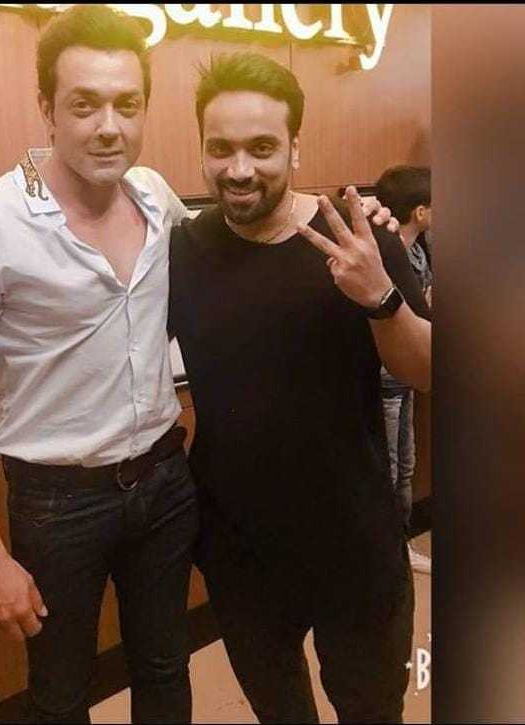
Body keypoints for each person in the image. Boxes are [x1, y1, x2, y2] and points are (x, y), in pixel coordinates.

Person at [0, 6, 199, 723]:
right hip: (58, 502)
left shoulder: (156, 197)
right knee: (60, 693)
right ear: (47, 109)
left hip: (164, 478)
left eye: (127, 104)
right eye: (84, 104)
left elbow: (235, 258)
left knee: (166, 665)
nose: (109, 126)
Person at [169, 52, 431, 724]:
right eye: (220, 148)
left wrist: (381, 298)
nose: (239, 168)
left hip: (354, 543)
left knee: (372, 712)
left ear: (294, 147)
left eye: (262, 147)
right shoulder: (183, 251)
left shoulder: (358, 237)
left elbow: (430, 371)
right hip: (240, 552)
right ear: (202, 149)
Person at [375, 166, 433, 576]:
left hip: (409, 375)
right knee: (388, 468)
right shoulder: (384, 252)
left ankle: (400, 544)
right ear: (420, 212)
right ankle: (388, 552)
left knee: (406, 466)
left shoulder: (417, 250)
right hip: (384, 380)